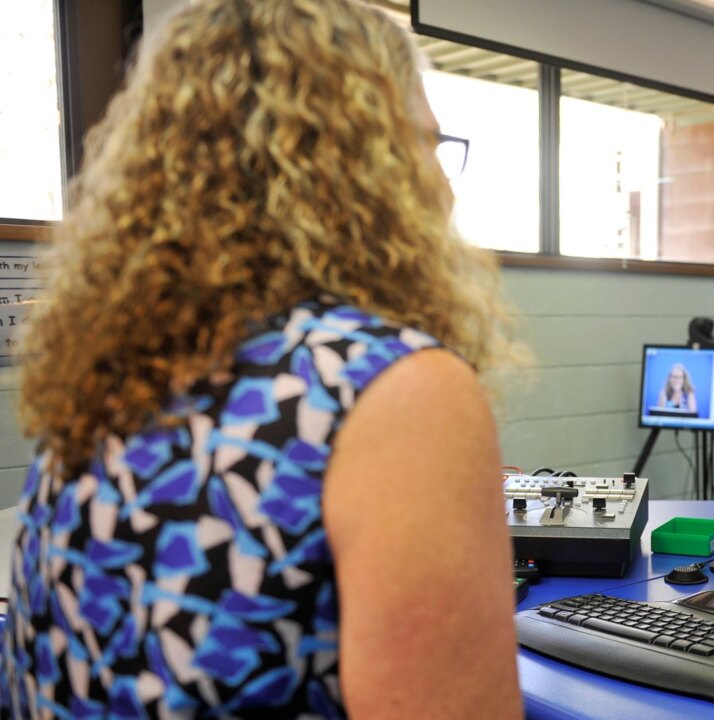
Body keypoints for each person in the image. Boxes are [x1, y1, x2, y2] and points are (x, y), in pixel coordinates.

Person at [2, 1, 522, 717]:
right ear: (369, 163)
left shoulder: (104, 376)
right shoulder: (390, 388)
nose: (448, 186)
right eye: (429, 145)